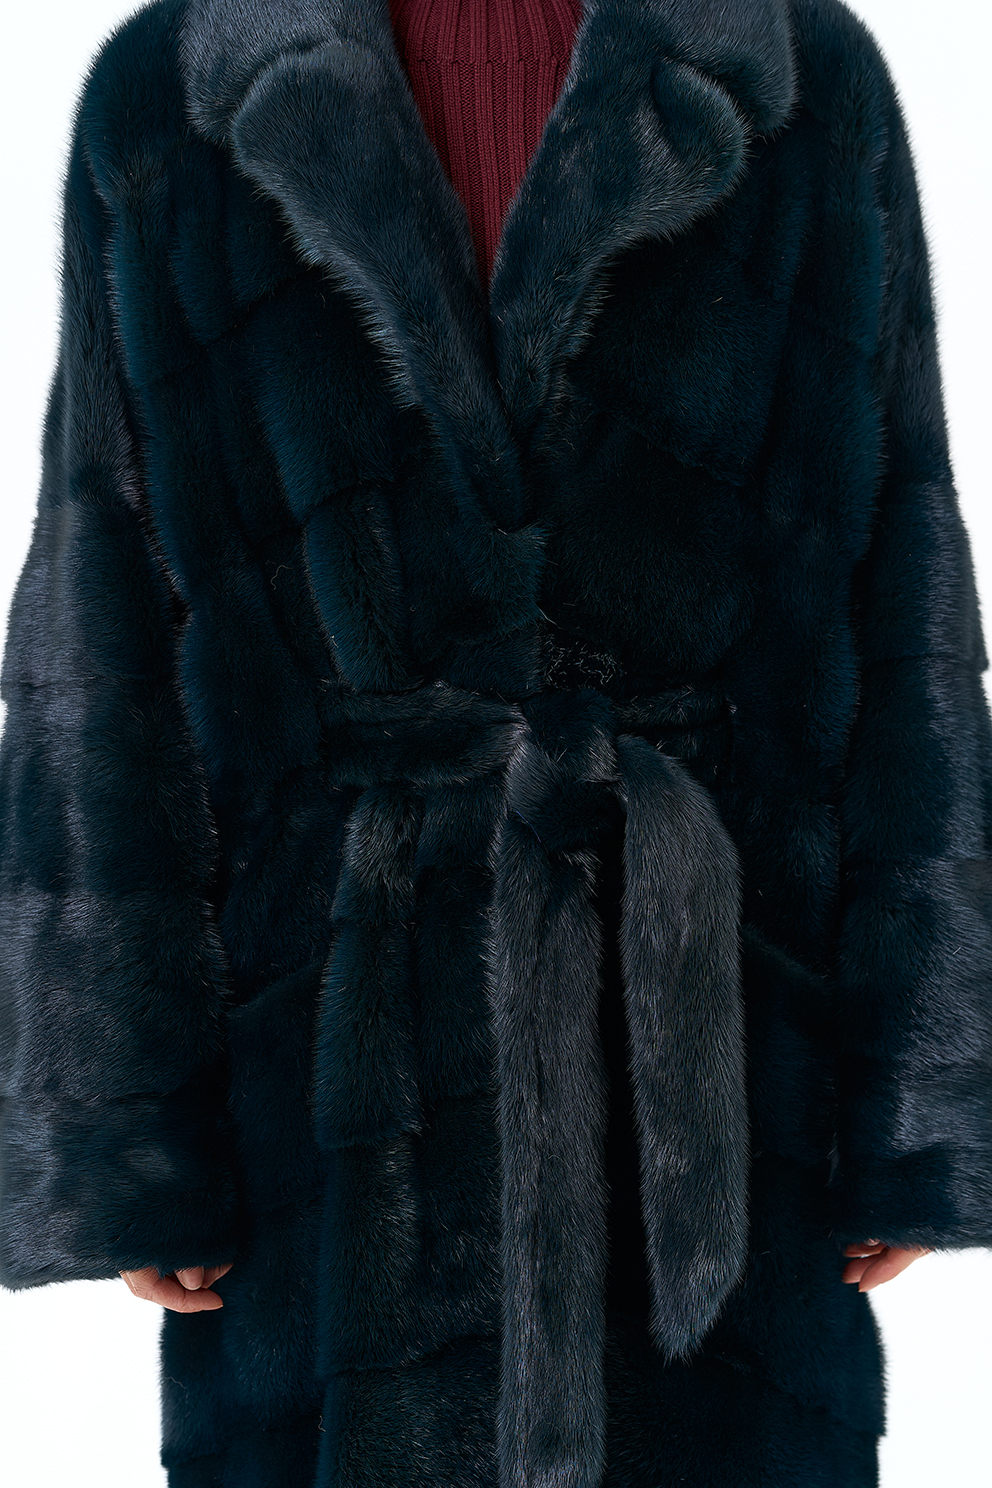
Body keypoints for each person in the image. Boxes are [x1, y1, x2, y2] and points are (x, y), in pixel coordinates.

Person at [1, 0, 990, 1485]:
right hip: (322, 1059)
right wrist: (122, 1142)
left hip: (718, 1047)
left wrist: (921, 1105)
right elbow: (103, 626)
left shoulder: (799, 70)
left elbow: (902, 585)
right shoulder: (170, 95)